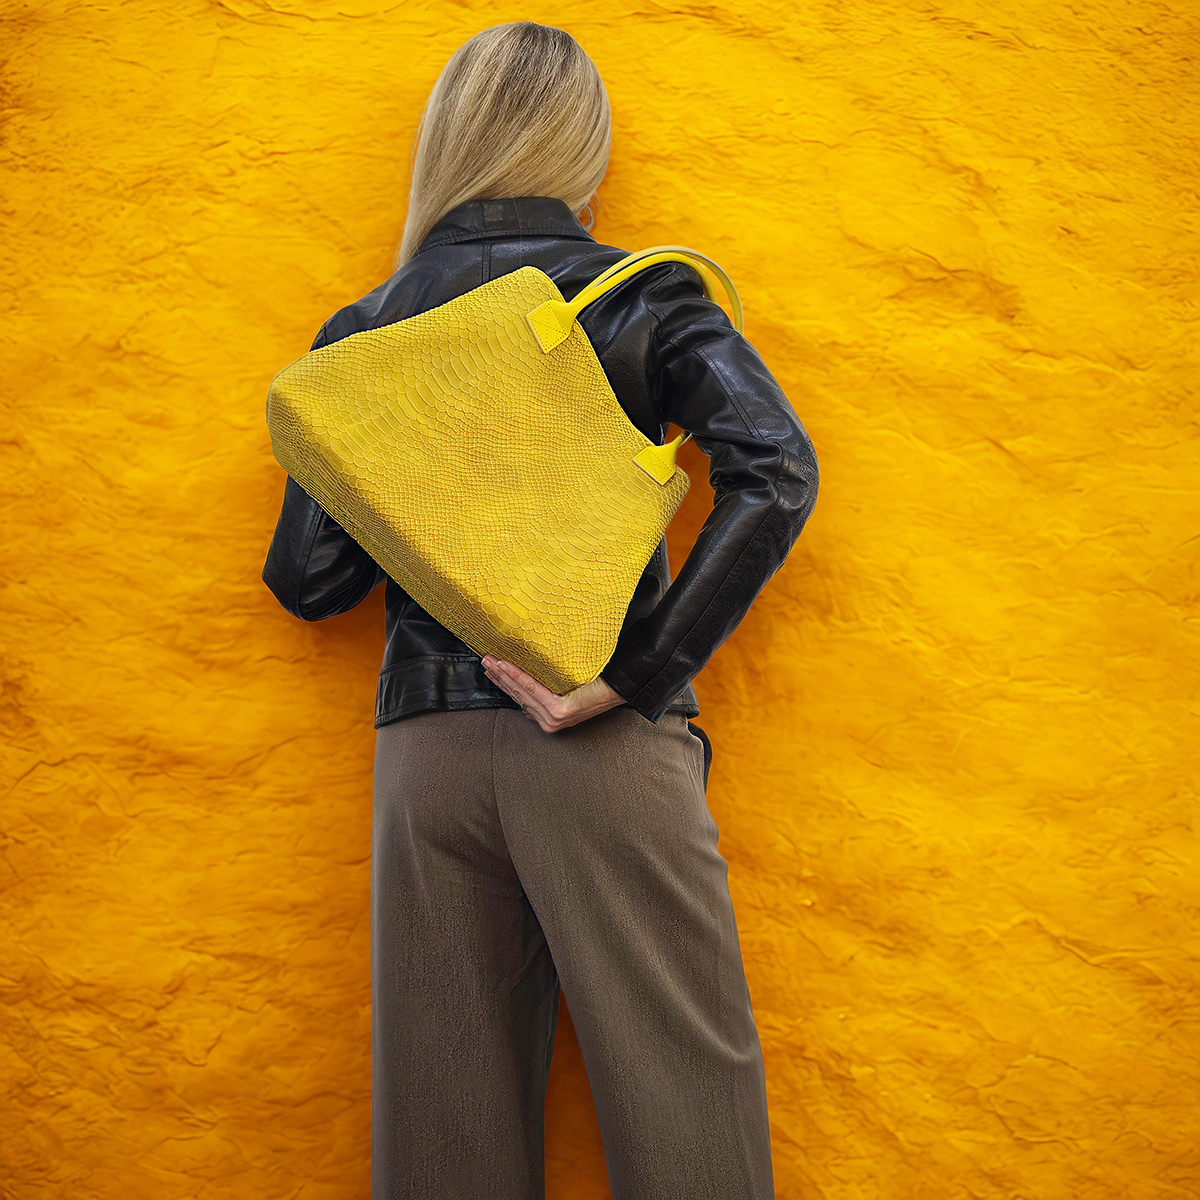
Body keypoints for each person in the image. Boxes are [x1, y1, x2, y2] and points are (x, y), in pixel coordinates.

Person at [262, 21, 819, 1200]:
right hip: (598, 738)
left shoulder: (367, 332)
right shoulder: (644, 292)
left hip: (426, 762)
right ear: (583, 147)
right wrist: (640, 671)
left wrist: (419, 456)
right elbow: (774, 468)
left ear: (446, 142)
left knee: (444, 1147)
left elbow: (309, 584)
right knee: (687, 1122)